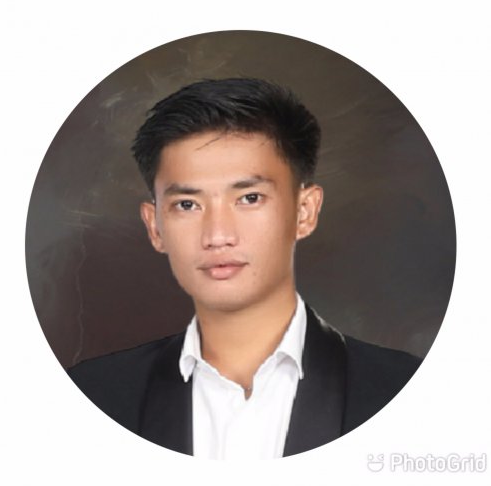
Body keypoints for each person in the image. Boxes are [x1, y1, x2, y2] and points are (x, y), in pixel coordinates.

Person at [68, 78, 421, 459]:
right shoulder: (89, 396)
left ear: (304, 211)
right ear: (155, 227)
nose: (218, 235)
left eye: (249, 198)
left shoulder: (407, 389)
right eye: (187, 205)